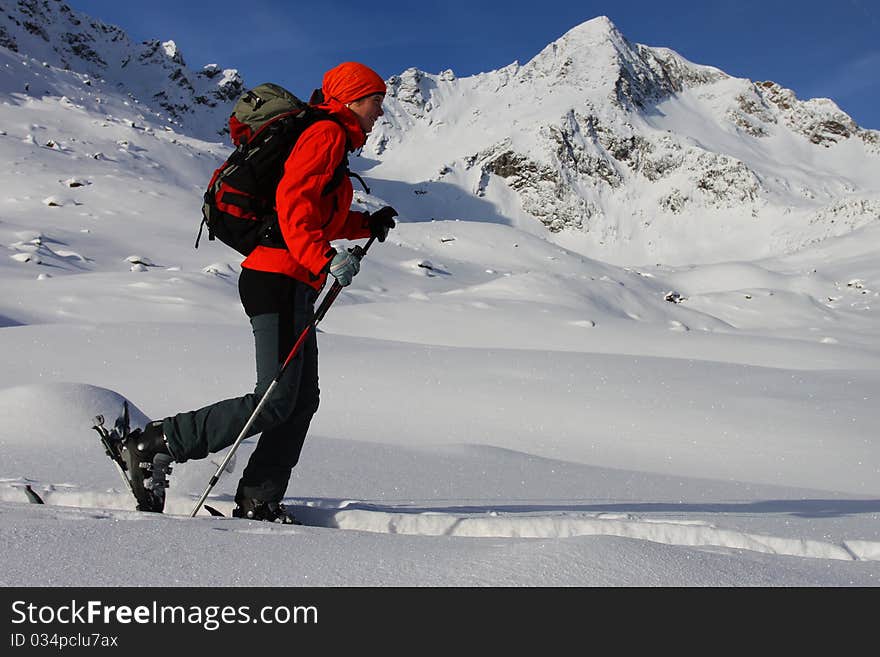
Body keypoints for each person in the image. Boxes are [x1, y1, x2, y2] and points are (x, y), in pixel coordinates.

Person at [122, 62, 398, 523]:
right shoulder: (326, 133)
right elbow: (294, 203)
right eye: (375, 102)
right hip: (278, 278)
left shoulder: (329, 136)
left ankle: (258, 497)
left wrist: (362, 225)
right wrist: (324, 259)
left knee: (299, 401)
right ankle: (154, 444)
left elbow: (313, 214)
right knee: (273, 399)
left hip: (292, 281)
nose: (379, 113)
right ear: (351, 98)